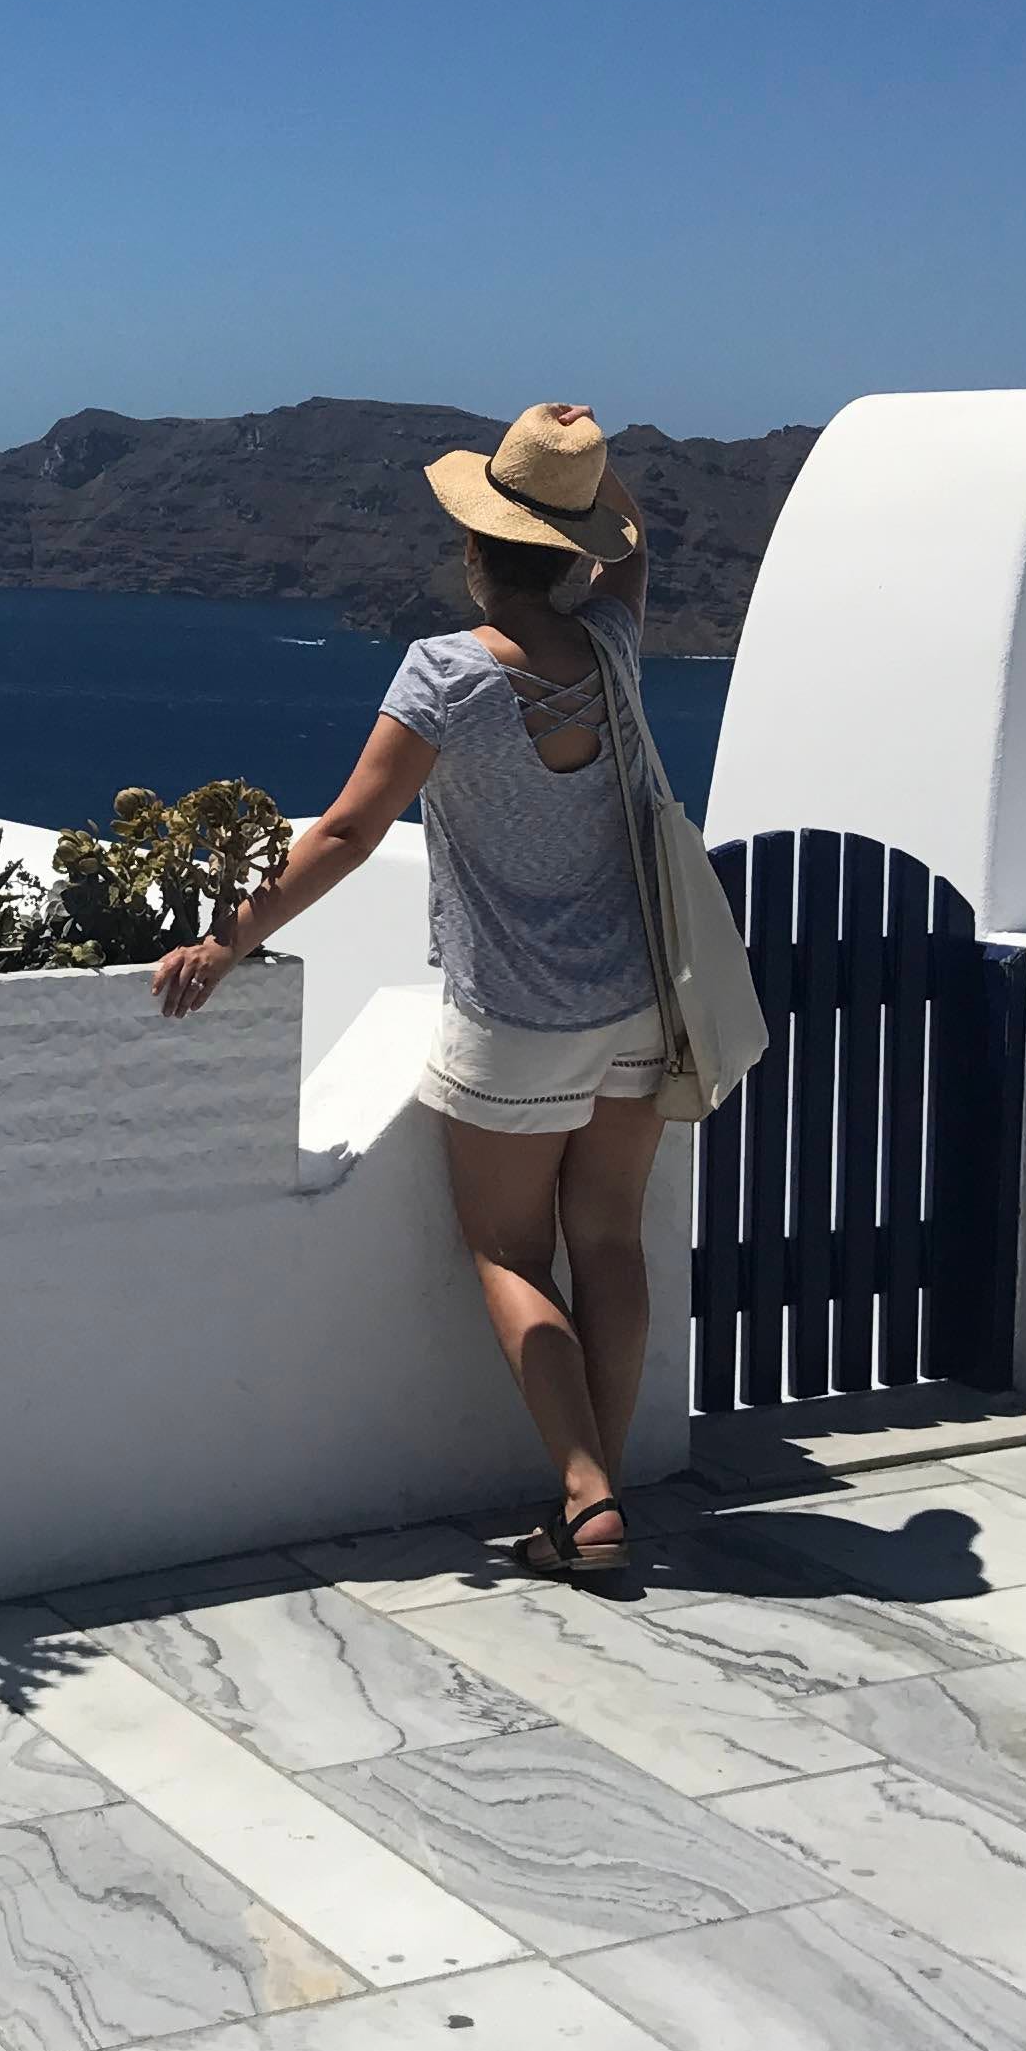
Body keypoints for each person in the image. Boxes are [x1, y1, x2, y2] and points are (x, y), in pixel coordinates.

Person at [154, 403, 663, 1576]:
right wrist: (589, 481)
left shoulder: (445, 675)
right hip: (636, 1006)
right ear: (572, 552)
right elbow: (635, 552)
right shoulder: (617, 646)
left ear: (476, 549)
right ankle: (607, 1490)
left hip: (515, 1016)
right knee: (610, 1244)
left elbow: (345, 832)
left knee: (510, 1254)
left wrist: (227, 942)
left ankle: (585, 1497)